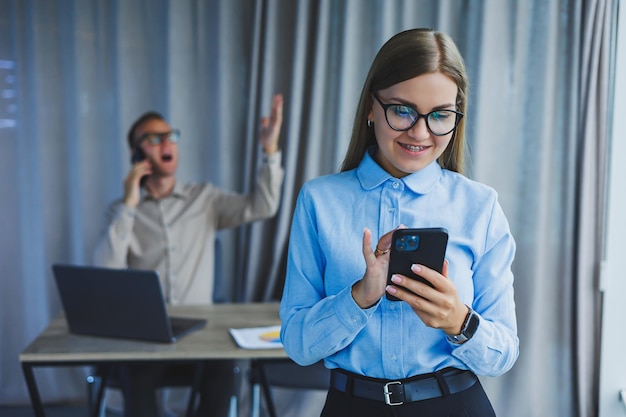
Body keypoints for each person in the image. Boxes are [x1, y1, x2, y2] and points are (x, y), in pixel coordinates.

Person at [279, 28, 518, 417]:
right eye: (403, 110)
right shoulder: (319, 201)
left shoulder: (480, 206)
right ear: (371, 108)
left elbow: (504, 354)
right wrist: (359, 297)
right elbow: (298, 345)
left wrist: (456, 320)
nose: (420, 132)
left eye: (440, 115)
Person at [93, 94, 285, 417]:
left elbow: (262, 207)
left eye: (170, 136)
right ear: (136, 152)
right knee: (133, 376)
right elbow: (105, 269)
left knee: (226, 372)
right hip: (147, 338)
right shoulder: (121, 212)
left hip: (201, 334)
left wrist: (269, 150)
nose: (166, 143)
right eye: (154, 139)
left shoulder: (204, 199)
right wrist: (129, 203)